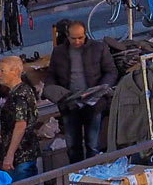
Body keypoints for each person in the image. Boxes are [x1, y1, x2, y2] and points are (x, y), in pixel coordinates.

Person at [48, 21, 115, 164]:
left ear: (85, 35)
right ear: (67, 36)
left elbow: (111, 72)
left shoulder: (98, 48)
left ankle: (92, 177)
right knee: (73, 146)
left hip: (94, 103)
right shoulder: (59, 52)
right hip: (70, 104)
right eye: (74, 38)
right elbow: (51, 76)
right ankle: (76, 177)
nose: (77, 41)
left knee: (93, 146)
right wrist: (56, 93)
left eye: (80, 37)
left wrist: (100, 90)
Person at [0, 55, 42, 185]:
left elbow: (20, 125)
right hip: (28, 151)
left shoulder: (19, 96)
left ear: (15, 72)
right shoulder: (24, 91)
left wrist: (10, 154)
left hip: (21, 155)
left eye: (2, 71)